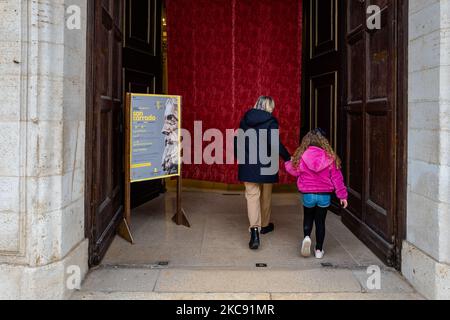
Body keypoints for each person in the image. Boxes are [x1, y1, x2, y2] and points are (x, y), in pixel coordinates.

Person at [235, 96, 291, 250]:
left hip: (248, 163)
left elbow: (238, 141)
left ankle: (254, 231)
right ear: (269, 107)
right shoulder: (270, 121)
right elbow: (275, 143)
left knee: (252, 196)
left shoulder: (244, 119)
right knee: (266, 193)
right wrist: (287, 157)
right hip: (267, 164)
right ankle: (264, 225)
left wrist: (241, 158)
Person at [285, 128, 348, 259]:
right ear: (323, 141)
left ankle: (307, 237)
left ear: (307, 141)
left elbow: (293, 170)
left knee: (308, 217)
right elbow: (337, 178)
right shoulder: (330, 157)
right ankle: (319, 250)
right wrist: (342, 196)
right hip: (324, 195)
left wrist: (288, 162)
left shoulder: (302, 156)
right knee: (320, 222)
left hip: (308, 194)